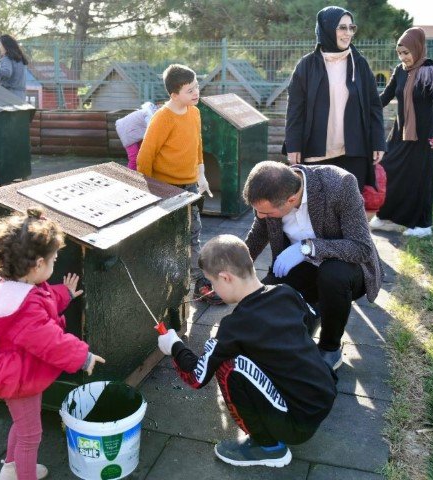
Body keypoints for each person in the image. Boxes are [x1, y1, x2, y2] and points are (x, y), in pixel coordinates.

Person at [157, 235, 337, 468]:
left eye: (212, 283)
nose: (212, 289)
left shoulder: (234, 327)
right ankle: (283, 420)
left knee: (230, 366)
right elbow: (311, 319)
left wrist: (174, 346)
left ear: (225, 278)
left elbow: (197, 376)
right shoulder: (286, 292)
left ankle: (267, 447)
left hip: (297, 423)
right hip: (321, 399)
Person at [0, 208, 105, 480]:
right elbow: (51, 340)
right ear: (37, 266)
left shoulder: (6, 285)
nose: (55, 262)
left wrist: (64, 294)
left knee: (22, 426)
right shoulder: (24, 309)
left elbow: (41, 302)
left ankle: (11, 468)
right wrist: (84, 356)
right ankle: (22, 475)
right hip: (18, 378)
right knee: (31, 436)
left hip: (13, 370)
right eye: (53, 259)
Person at [243, 161, 383, 370]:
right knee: (265, 301)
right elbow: (257, 235)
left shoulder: (340, 184)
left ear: (291, 199)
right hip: (304, 267)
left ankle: (330, 347)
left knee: (332, 275)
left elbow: (361, 247)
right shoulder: (272, 193)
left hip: (346, 267)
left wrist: (307, 248)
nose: (261, 216)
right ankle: (313, 313)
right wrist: (234, 268)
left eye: (267, 213)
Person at [136, 64, 218, 304]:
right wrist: (149, 192)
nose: (196, 93)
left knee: (194, 233)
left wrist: (200, 173)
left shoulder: (194, 112)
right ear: (174, 94)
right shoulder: (163, 118)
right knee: (166, 237)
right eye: (190, 90)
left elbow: (197, 145)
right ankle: (163, 284)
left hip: (189, 187)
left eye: (197, 87)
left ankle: (199, 282)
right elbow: (145, 156)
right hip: (165, 188)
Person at [284, 6, 386, 191]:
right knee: (318, 210)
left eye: (351, 28)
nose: (348, 33)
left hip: (354, 152)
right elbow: (295, 110)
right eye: (342, 28)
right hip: (316, 152)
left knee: (350, 208)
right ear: (327, 28)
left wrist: (378, 141)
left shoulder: (359, 64)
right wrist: (293, 146)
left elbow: (374, 106)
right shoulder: (306, 66)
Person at [369, 27, 433, 238]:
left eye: (406, 52)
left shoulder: (432, 70)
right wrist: (364, 108)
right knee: (387, 169)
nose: (403, 57)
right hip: (399, 133)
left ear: (417, 47)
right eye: (400, 53)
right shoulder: (400, 71)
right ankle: (387, 218)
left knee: (419, 178)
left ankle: (423, 225)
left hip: (424, 136)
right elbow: (385, 97)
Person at [115, 101, 159, 170]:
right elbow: (151, 132)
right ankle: (130, 177)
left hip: (131, 129)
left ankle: (139, 172)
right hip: (127, 131)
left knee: (141, 155)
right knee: (134, 158)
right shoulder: (149, 116)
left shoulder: (147, 113)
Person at [0, 34, 28, 101]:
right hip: (21, 97)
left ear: (5, 46)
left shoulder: (7, 58)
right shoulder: (21, 59)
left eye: (0, 44)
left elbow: (7, 72)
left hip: (9, 97)